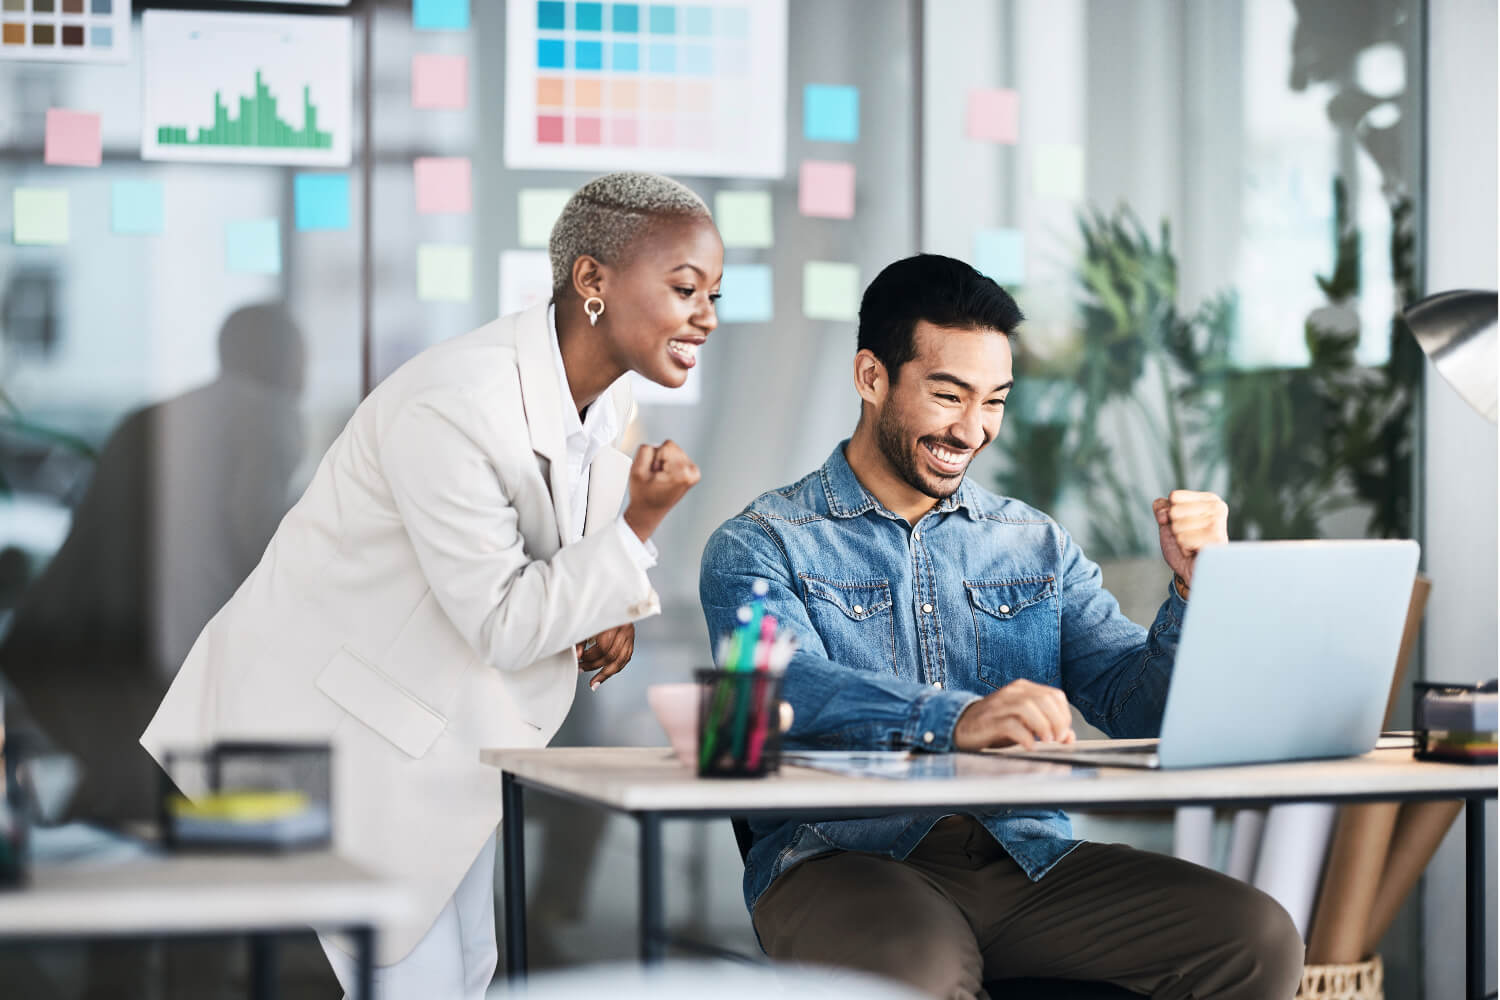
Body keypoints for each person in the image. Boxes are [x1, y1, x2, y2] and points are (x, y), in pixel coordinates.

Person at [142, 172, 722, 999]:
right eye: (684, 287)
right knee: (415, 984)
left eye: (714, 293)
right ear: (592, 280)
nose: (706, 314)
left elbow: (560, 551)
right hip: (337, 739)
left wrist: (610, 598)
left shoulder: (601, 401)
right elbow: (503, 621)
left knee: (464, 976)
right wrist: (637, 532)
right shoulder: (455, 404)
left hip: (436, 738)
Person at [699, 254, 1303, 1000]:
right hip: (840, 859)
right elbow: (773, 687)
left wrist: (1193, 587)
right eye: (949, 394)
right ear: (871, 377)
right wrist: (955, 719)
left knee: (1255, 939)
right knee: (921, 974)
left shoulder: (1032, 543)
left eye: (994, 401)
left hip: (1025, 858)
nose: (973, 428)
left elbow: (1137, 704)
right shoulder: (761, 541)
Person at [2, 303, 305, 823]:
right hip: (136, 655)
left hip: (54, 644)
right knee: (172, 799)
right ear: (285, 359)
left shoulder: (155, 416)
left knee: (130, 793)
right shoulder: (268, 414)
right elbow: (259, 543)